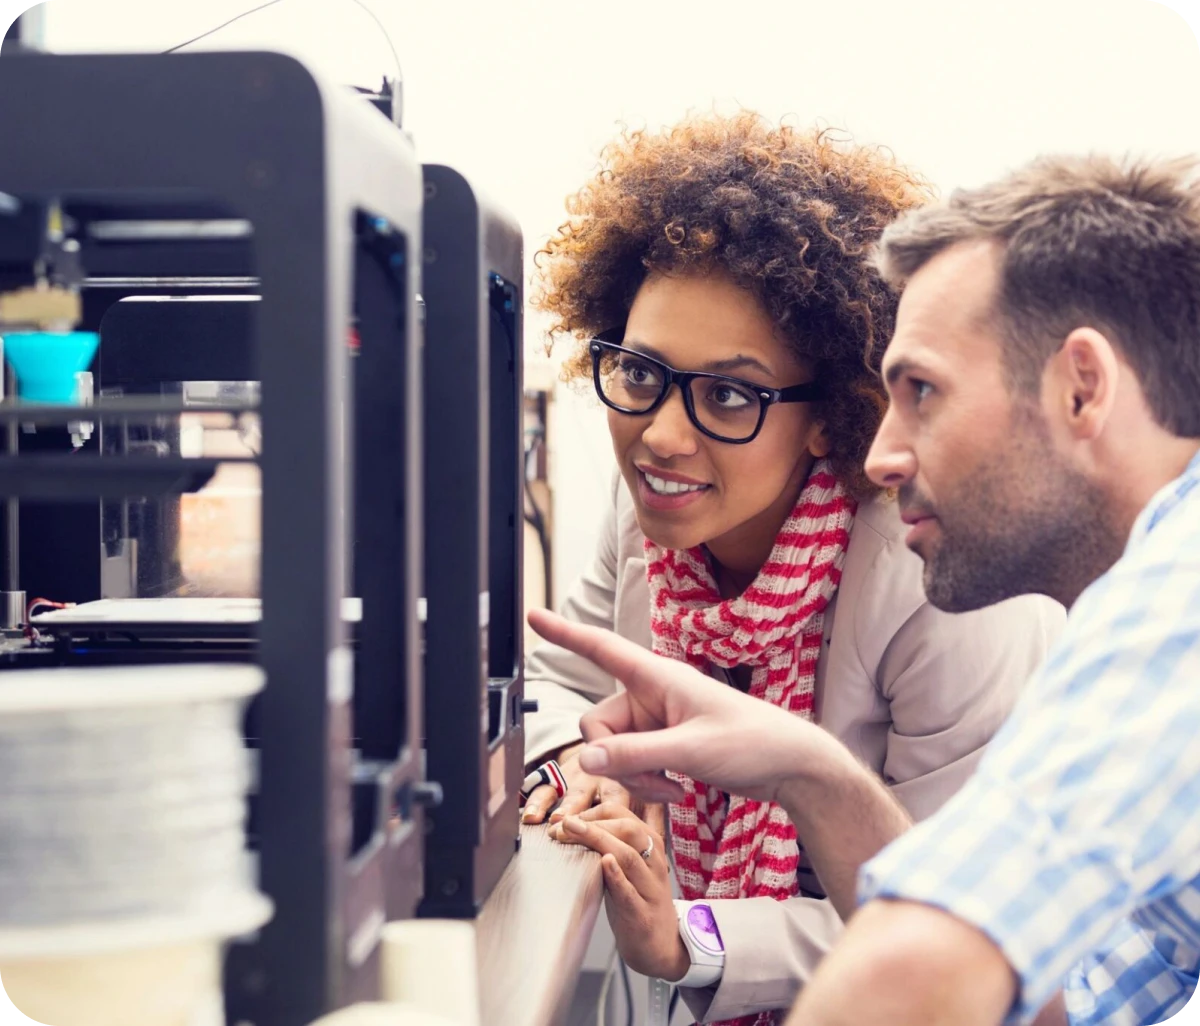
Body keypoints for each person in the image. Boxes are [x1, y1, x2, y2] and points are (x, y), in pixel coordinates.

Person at [529, 152, 1200, 1026]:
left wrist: (695, 931)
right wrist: (811, 773)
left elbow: (924, 968)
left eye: (923, 392)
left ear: (1083, 389)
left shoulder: (1167, 613)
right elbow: (1059, 1001)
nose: (881, 454)